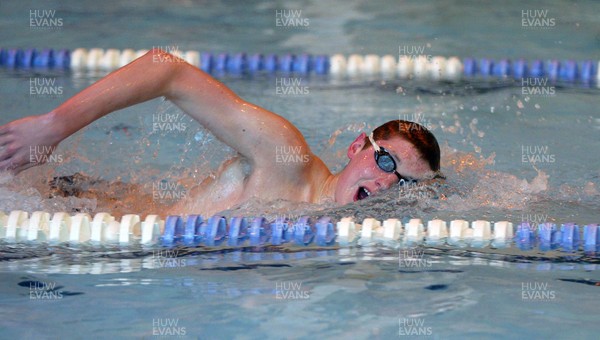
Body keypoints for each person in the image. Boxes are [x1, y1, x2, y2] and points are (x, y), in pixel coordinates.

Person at [0, 49, 442, 216]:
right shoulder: (284, 159)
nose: (386, 182)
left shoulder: (354, 226)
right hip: (83, 221)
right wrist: (51, 126)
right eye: (385, 161)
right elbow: (165, 69)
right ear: (356, 147)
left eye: (403, 181)